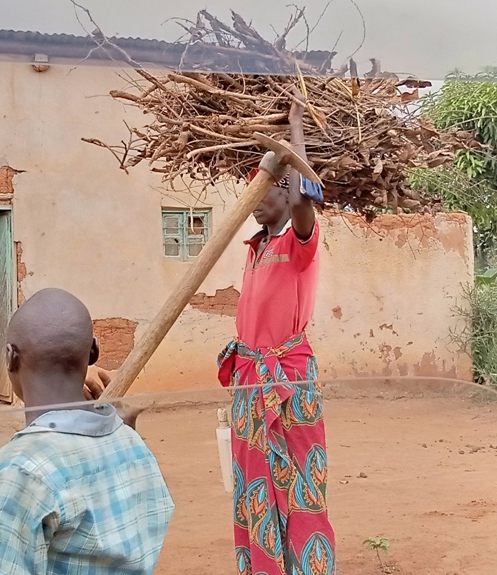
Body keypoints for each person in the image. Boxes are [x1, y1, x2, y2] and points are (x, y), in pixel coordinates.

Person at [0, 288, 174, 575]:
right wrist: (120, 434)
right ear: (94, 351)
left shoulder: (20, 470)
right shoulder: (131, 443)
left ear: (10, 357)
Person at [216, 88, 335, 575]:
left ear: (284, 191)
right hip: (249, 378)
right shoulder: (253, 247)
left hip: (289, 378)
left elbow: (308, 192)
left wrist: (295, 130)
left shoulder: (300, 240)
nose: (251, 207)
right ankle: (263, 567)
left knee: (300, 481)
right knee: (253, 483)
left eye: (260, 195)